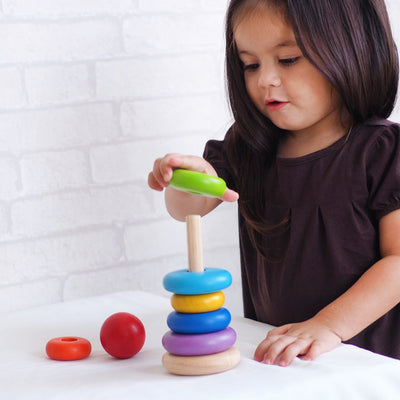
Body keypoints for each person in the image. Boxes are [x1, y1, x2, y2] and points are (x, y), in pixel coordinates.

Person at [148, 0, 400, 366]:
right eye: (250, 64)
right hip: (279, 359)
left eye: (288, 59)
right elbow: (188, 209)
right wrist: (184, 181)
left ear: (353, 46)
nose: (264, 79)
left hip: (366, 364)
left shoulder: (383, 151)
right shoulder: (249, 146)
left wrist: (326, 326)